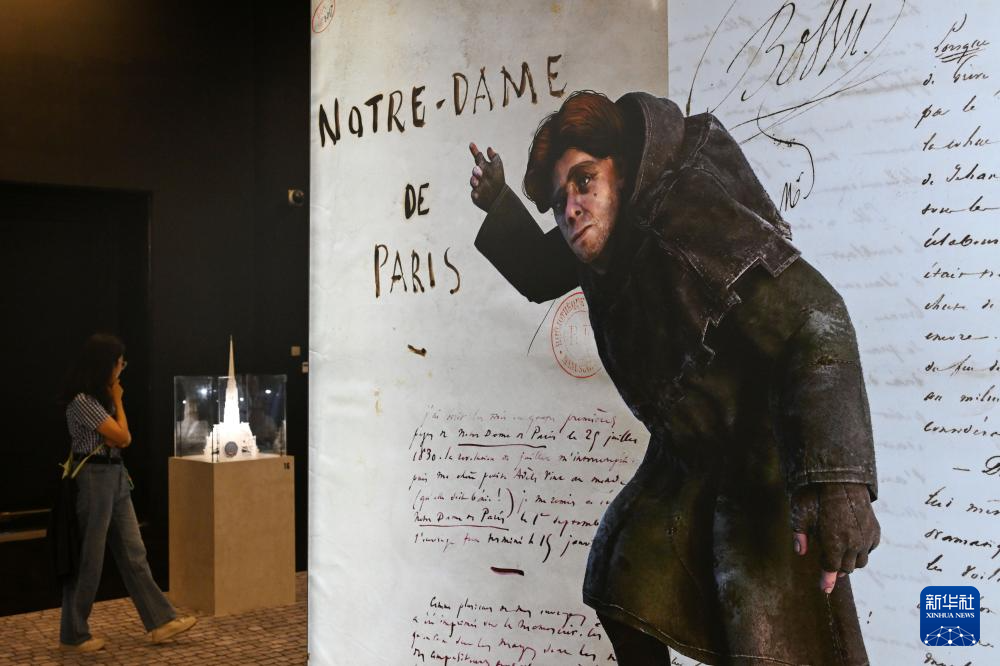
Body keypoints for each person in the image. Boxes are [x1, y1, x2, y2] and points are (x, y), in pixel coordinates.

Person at [468, 91, 880, 665]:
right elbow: (541, 272)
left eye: (584, 182)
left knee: (767, 638)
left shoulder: (686, 220)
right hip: (686, 456)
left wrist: (837, 483)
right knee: (621, 573)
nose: (572, 209)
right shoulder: (605, 235)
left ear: (621, 170)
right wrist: (499, 201)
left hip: (759, 457)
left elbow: (816, 316)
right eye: (560, 201)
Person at [58, 333, 196, 652]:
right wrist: (118, 402)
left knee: (134, 552)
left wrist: (116, 415)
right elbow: (121, 436)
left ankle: (160, 621)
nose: (122, 369)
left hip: (116, 475)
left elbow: (123, 438)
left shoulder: (100, 399)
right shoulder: (83, 401)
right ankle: (73, 634)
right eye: (120, 363)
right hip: (94, 479)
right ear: (105, 364)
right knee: (89, 558)